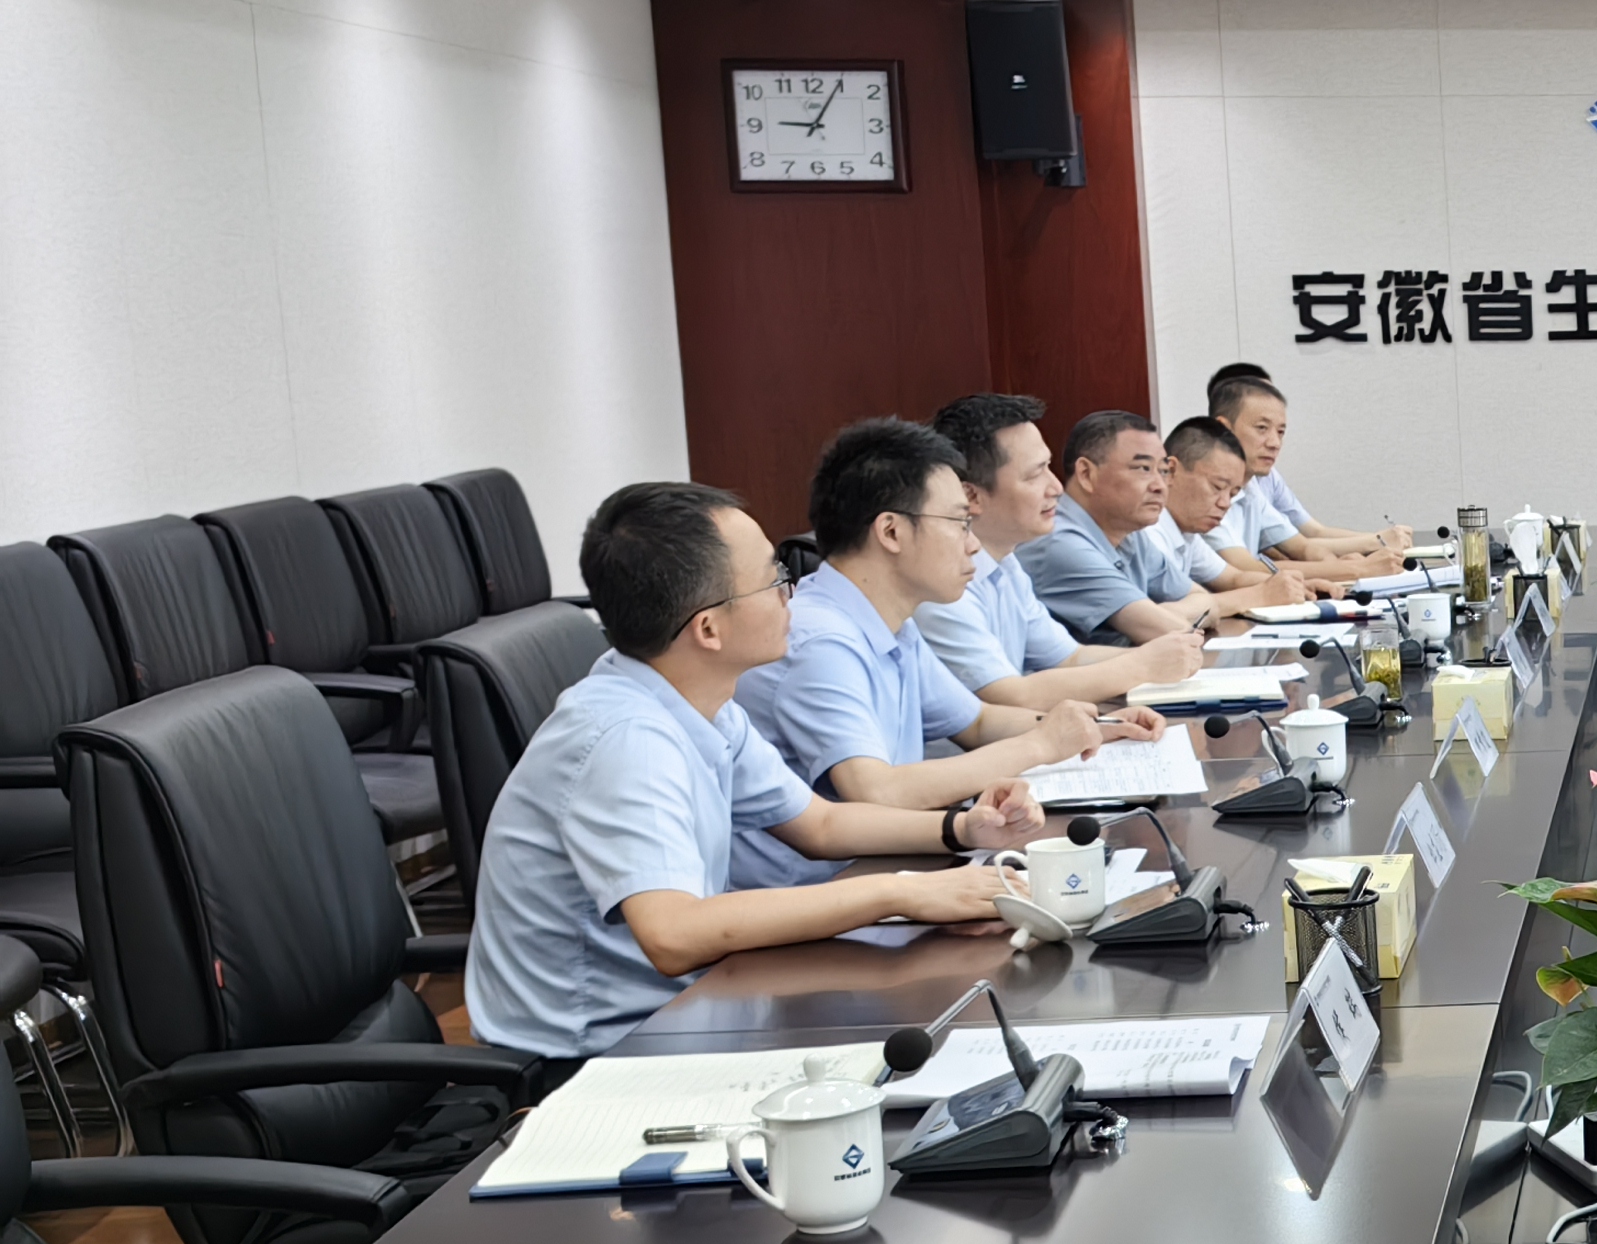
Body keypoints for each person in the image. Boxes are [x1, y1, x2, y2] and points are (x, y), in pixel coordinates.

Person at [464, 483, 1032, 1062]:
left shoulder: (695, 696)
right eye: (773, 578)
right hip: (595, 1056)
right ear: (708, 629)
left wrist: (961, 829)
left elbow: (819, 825)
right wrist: (900, 892)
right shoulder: (627, 740)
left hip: (692, 1009)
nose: (792, 593)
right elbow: (674, 934)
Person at [735, 420, 1165, 891]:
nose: (973, 543)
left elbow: (976, 721)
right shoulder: (821, 640)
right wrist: (1040, 745)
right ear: (891, 531)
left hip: (887, 866)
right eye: (959, 523)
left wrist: (1098, 726)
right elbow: (876, 790)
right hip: (818, 893)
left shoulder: (890, 621)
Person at [921, 393, 1210, 711]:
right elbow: (1009, 696)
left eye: (1048, 467)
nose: (1056, 487)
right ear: (971, 496)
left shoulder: (1006, 563)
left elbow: (1068, 657)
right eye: (1034, 474)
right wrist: (1143, 665)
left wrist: (1164, 656)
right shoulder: (940, 584)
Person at [1017, 410, 1305, 645]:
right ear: (1086, 474)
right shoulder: (1060, 542)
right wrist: (1258, 596)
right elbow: (1164, 628)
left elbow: (1200, 600)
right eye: (1143, 469)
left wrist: (1173, 613)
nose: (1160, 485)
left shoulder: (1131, 536)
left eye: (1162, 471)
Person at [1205, 368, 1410, 574]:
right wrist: (1357, 568)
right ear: (1225, 429)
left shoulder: (1250, 487)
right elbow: (1246, 570)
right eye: (1262, 428)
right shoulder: (1205, 491)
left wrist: (1338, 564)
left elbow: (1303, 547)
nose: (1275, 443)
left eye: (1280, 432)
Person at [1160, 415, 1402, 588]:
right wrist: (1357, 569)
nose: (1225, 503)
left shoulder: (1190, 533)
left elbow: (1234, 578)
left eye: (1232, 493)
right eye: (1217, 487)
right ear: (1170, 471)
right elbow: (1240, 573)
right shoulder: (1152, 532)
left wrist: (1298, 582)